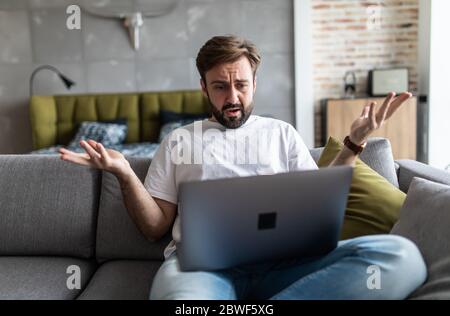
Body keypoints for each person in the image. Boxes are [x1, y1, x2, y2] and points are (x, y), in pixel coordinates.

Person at [59, 35, 426, 300]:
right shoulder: (180, 141)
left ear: (255, 84)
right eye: (220, 87)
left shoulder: (281, 133)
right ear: (203, 87)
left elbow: (320, 198)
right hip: (202, 271)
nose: (232, 97)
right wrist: (124, 173)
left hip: (287, 265)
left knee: (402, 257)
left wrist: (354, 141)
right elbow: (155, 227)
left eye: (241, 85)